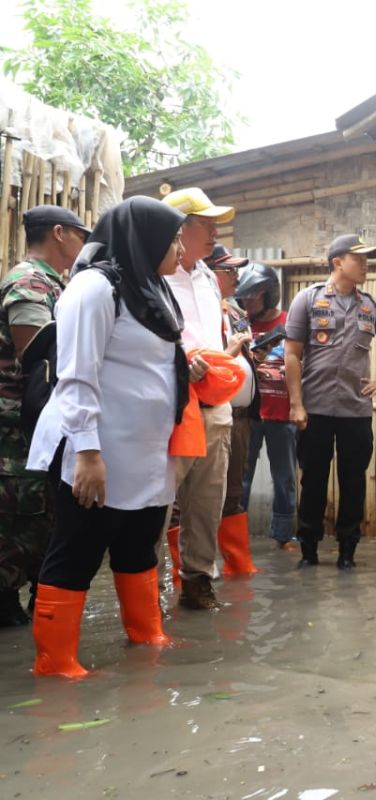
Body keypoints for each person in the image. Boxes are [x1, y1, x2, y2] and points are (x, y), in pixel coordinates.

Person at [26, 196, 188, 677]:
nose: (180, 246)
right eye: (173, 237)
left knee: (138, 545)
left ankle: (145, 633)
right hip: (98, 449)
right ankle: (55, 661)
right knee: (78, 548)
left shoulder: (154, 288)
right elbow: (76, 376)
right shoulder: (94, 288)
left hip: (146, 451)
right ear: (145, 238)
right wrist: (87, 452)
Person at [285, 234, 376, 569]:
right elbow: (292, 355)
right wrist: (296, 403)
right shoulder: (307, 301)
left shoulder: (370, 305)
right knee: (313, 480)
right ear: (338, 262)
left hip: (356, 411)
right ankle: (308, 548)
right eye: (360, 259)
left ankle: (347, 550)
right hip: (316, 408)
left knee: (354, 482)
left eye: (368, 259)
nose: (366, 265)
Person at [162, 187, 250, 610]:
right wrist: (181, 361)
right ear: (179, 228)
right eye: (206, 224)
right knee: (160, 497)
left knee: (208, 495)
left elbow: (207, 336)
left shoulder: (207, 278)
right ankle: (143, 582)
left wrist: (225, 356)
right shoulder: (153, 276)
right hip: (171, 402)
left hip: (213, 400)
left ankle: (197, 580)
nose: (215, 232)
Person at [0, 206, 89, 626]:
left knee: (42, 533)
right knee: (16, 536)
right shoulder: (30, 283)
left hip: (38, 435)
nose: (84, 242)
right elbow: (39, 360)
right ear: (58, 233)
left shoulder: (59, 285)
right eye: (79, 233)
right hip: (16, 436)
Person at [236, 262, 297, 550]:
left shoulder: (289, 324)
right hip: (248, 413)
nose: (246, 303)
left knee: (284, 478)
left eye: (252, 297)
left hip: (281, 412)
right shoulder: (239, 326)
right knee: (241, 478)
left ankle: (283, 537)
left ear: (268, 294)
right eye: (244, 298)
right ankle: (235, 539)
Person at [206, 244, 257, 575]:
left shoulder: (237, 313)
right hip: (207, 411)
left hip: (239, 415)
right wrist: (229, 350)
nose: (236, 277)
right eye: (229, 270)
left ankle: (238, 566)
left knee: (234, 490)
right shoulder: (196, 310)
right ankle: (190, 574)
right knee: (192, 498)